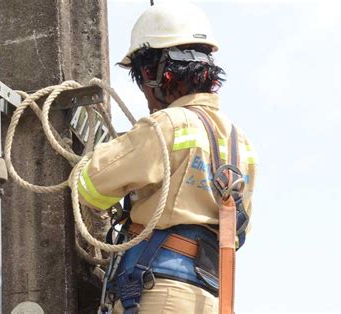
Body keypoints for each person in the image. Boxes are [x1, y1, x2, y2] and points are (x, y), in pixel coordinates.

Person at [73, 2, 256, 313]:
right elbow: (240, 232)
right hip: (210, 298)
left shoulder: (167, 125)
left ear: (151, 73)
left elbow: (91, 186)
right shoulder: (241, 143)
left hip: (159, 292)